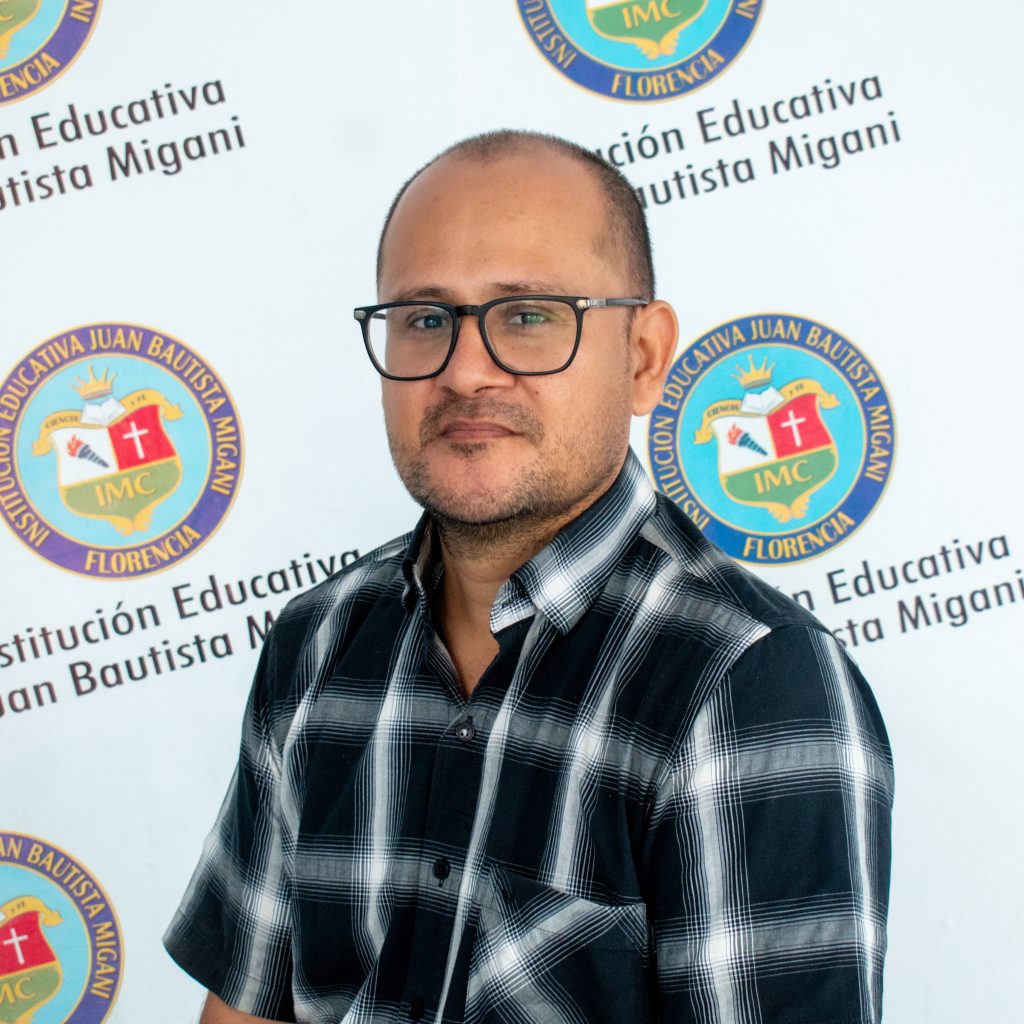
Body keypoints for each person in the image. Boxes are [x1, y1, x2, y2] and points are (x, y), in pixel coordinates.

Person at [164, 130, 894, 1024]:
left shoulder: (749, 682)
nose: (466, 369)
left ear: (642, 357)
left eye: (529, 315)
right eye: (425, 320)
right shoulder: (316, 642)